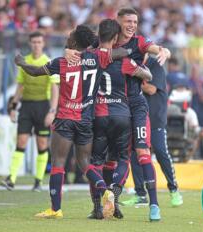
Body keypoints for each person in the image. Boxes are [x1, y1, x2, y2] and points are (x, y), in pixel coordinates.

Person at [65, 7, 171, 222]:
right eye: (128, 21)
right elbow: (76, 47)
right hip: (114, 107)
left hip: (136, 105)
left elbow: (153, 48)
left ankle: (153, 205)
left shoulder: (139, 41)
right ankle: (105, 202)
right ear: (118, 22)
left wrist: (163, 50)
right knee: (111, 158)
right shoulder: (102, 42)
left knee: (142, 152)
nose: (132, 25)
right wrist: (68, 51)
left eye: (135, 21)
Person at [15, 24, 129, 219]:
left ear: (74, 42)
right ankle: (106, 191)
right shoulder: (98, 58)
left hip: (65, 119)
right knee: (85, 163)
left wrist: (21, 63)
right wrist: (99, 49)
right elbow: (124, 51)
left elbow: (34, 72)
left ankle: (55, 209)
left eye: (70, 35)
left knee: (58, 163)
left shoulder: (61, 62)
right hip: (86, 120)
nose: (68, 37)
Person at [88, 19, 153, 220]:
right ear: (116, 37)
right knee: (121, 159)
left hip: (98, 116)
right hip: (122, 115)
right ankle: (114, 196)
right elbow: (148, 76)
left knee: (97, 162)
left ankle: (98, 208)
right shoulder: (124, 60)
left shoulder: (90, 57)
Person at [0, 31, 59, 192]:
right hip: (26, 106)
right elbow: (20, 86)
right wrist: (13, 107)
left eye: (39, 42)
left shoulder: (48, 62)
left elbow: (55, 89)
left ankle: (38, 181)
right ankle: (11, 179)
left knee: (41, 144)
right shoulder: (24, 62)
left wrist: (52, 111)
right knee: (21, 142)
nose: (36, 45)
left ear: (43, 44)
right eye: (33, 42)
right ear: (30, 44)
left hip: (42, 106)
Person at [122, 57, 183, 208]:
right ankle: (140, 194)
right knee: (136, 155)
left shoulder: (155, 66)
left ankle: (174, 189)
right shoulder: (133, 64)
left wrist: (131, 83)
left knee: (161, 153)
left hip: (155, 118)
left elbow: (152, 89)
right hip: (139, 118)